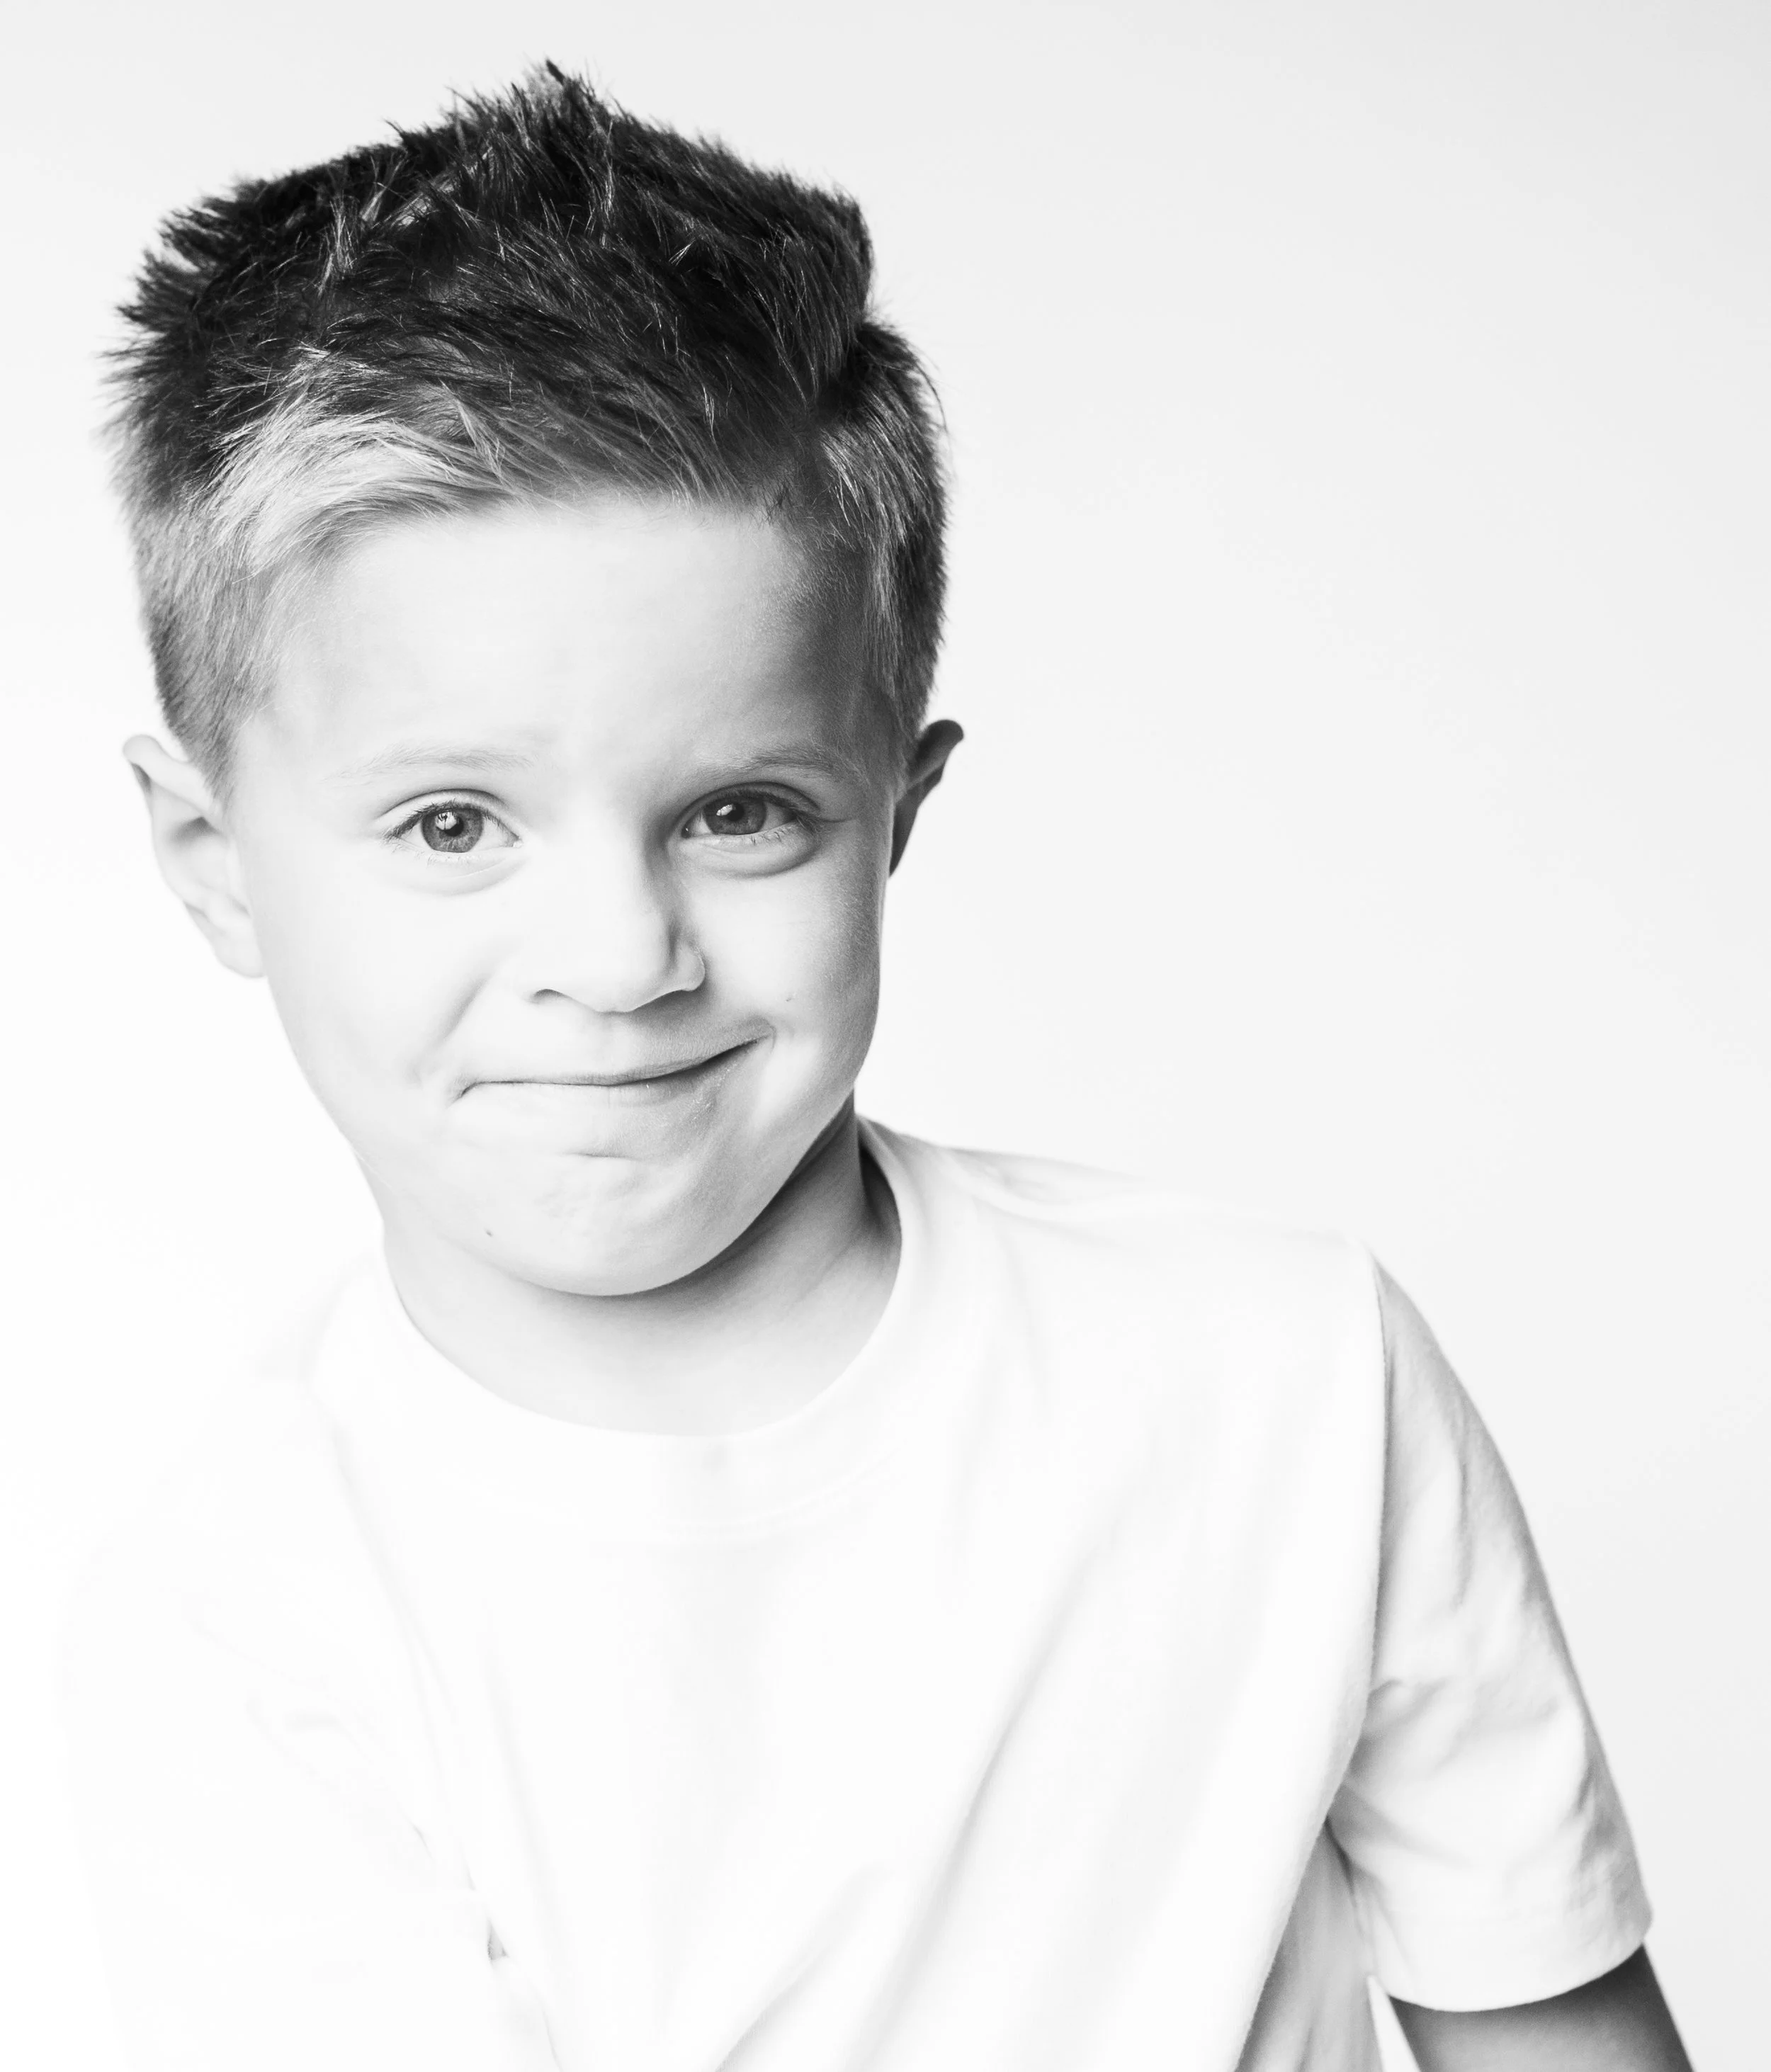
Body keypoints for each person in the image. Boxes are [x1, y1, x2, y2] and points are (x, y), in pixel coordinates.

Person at [60, 66, 1693, 2072]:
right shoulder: (240, 1614)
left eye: (738, 811)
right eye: (452, 825)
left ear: (892, 812)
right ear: (210, 862)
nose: (617, 962)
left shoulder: (1292, 1378)